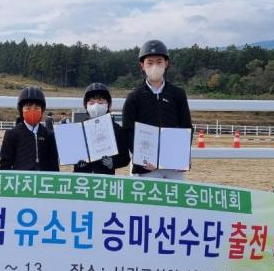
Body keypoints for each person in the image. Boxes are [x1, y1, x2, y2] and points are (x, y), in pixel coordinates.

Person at [122, 39, 192, 179]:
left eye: (159, 62)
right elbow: (128, 131)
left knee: (175, 193)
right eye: (150, 62)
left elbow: (186, 126)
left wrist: (181, 154)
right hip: (146, 166)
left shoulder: (178, 94)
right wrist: (142, 157)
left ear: (166, 63)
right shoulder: (134, 97)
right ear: (142, 65)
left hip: (173, 164)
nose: (155, 66)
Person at [74, 83, 130, 175]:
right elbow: (70, 154)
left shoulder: (117, 129)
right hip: (81, 179)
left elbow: (125, 158)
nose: (96, 106)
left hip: (105, 179)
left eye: (100, 103)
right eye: (91, 103)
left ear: (108, 104)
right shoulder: (78, 129)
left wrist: (112, 163)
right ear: (86, 106)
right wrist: (77, 162)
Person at [0, 86, 59, 171]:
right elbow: (5, 165)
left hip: (43, 178)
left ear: (42, 110)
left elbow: (54, 165)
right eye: (27, 108)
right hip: (21, 178)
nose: (32, 111)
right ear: (21, 110)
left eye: (36, 108)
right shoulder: (12, 134)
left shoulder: (49, 135)